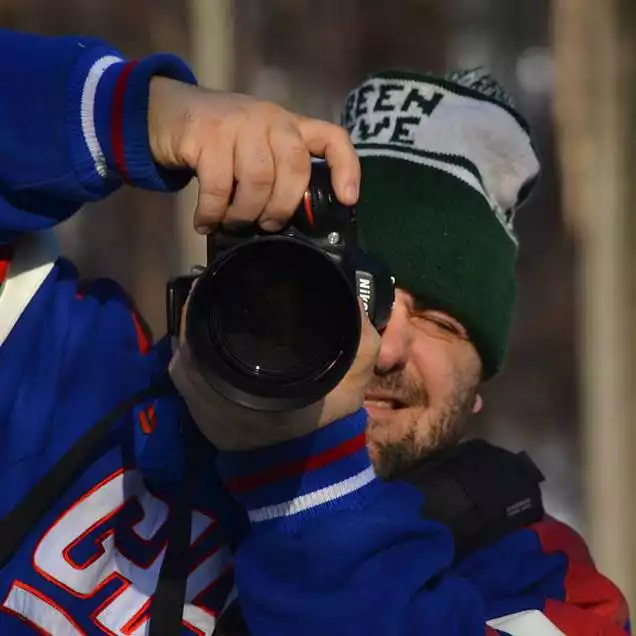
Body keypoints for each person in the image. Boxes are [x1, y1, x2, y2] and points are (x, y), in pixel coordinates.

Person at [0, 29, 628, 636]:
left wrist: (309, 488)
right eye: (356, 290)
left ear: (480, 383)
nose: (384, 347)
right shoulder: (66, 374)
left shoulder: (536, 577)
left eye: (440, 322)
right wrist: (134, 112)